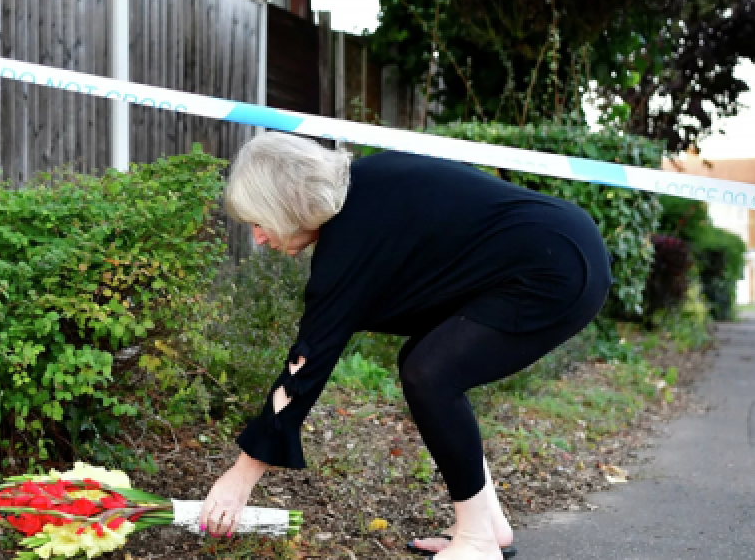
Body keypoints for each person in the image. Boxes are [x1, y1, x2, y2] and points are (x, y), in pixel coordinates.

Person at [198, 133, 612, 560]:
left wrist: (241, 476)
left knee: (432, 373)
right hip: (563, 247)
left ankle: (477, 542)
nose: (259, 238)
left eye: (260, 221)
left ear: (287, 204)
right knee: (423, 361)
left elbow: (306, 364)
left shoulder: (350, 240)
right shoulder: (367, 186)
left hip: (555, 271)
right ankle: (488, 525)